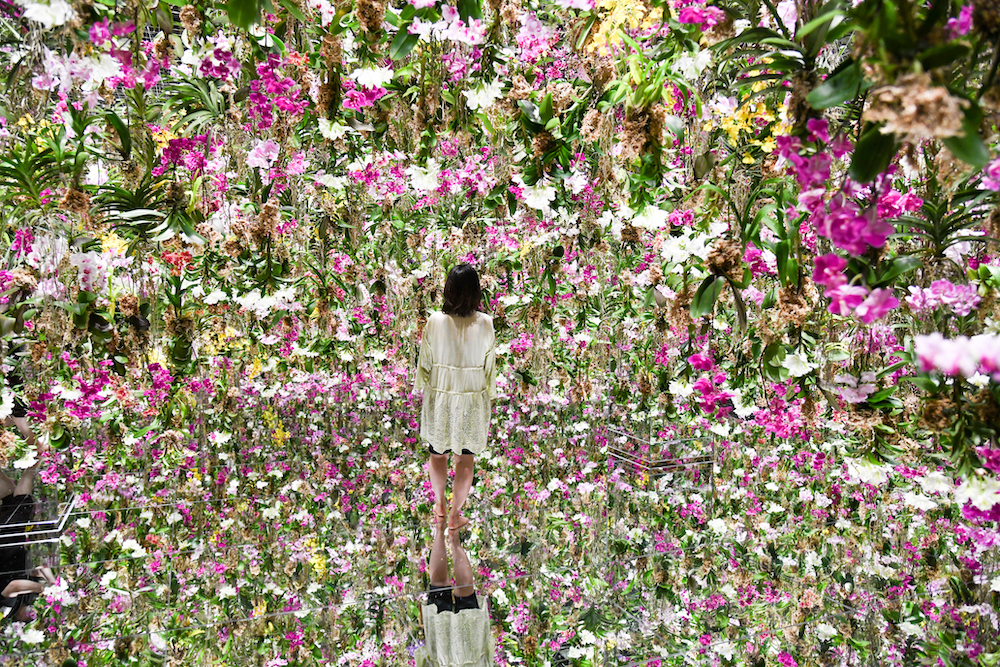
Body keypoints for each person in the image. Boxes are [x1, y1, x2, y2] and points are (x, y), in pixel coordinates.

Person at [416, 264, 496, 532]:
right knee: (465, 458)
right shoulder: (485, 323)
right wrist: (489, 394)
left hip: (440, 395)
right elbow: (489, 365)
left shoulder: (435, 321)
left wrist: (424, 388)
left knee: (437, 455)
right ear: (476, 291)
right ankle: (454, 514)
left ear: (448, 289)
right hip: (472, 398)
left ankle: (439, 504)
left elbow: (425, 362)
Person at [416, 523, 494, 666]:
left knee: (449, 587)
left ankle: (449, 533)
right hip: (457, 653)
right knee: (452, 588)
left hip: (455, 654)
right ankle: (447, 532)